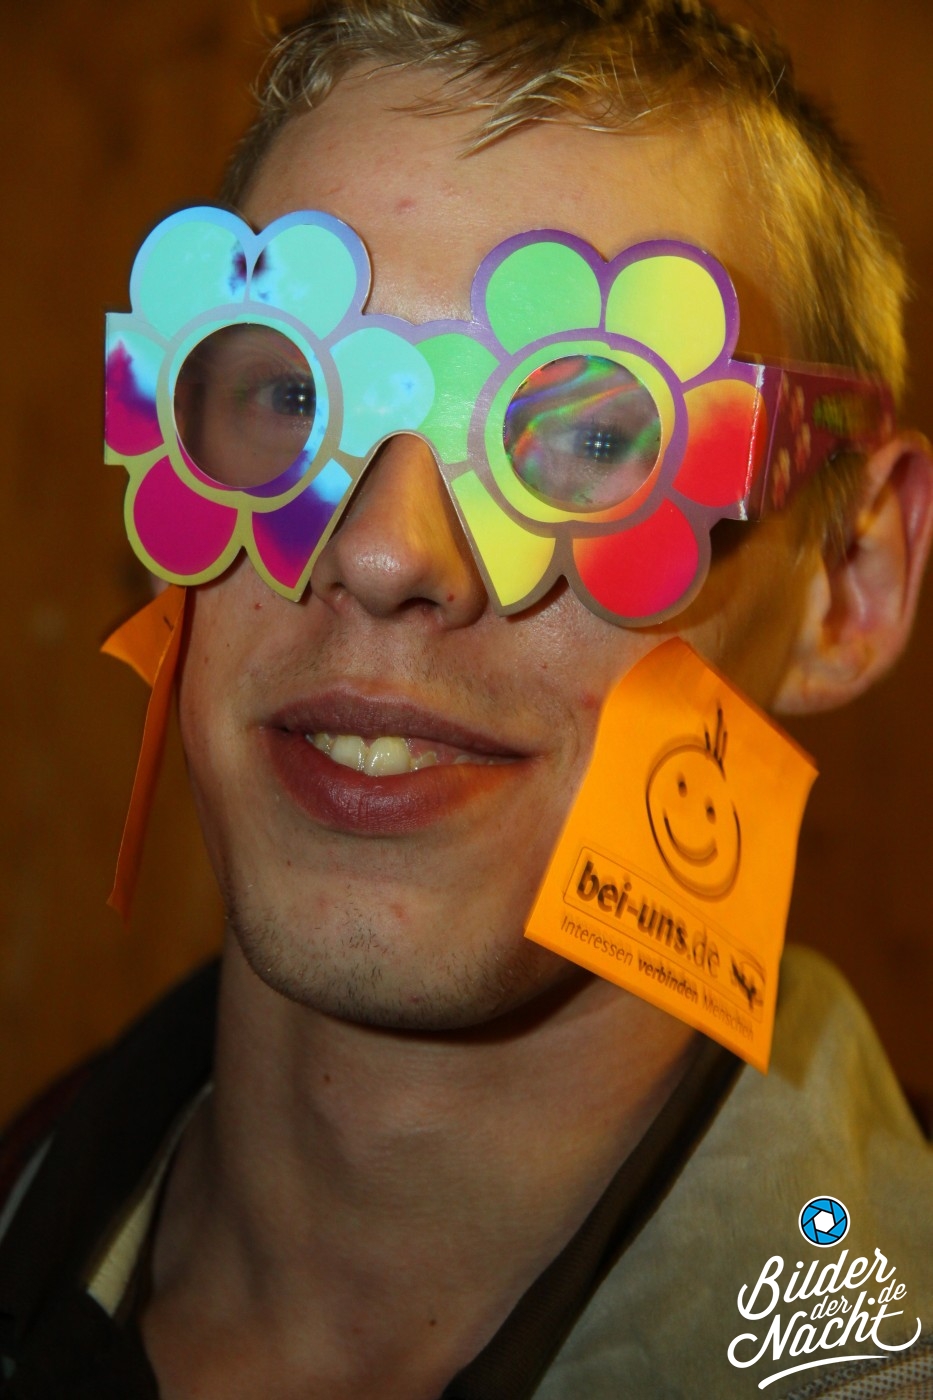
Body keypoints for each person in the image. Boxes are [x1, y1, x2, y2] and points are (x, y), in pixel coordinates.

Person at [0, 1, 931, 1396]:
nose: (381, 556)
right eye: (287, 399)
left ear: (849, 582)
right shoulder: (35, 1188)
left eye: (594, 434)